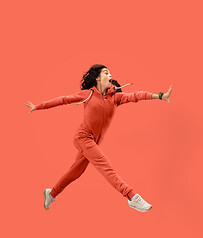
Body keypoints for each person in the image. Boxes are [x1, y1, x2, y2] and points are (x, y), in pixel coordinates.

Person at [25, 64, 172, 212]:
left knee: (75, 172)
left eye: (110, 74)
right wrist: (38, 106)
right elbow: (63, 100)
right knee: (105, 166)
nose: (110, 76)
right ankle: (132, 196)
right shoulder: (87, 94)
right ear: (97, 78)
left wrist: (159, 96)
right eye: (106, 73)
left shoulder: (115, 98)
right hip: (83, 137)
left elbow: (136, 96)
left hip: (94, 142)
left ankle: (51, 194)